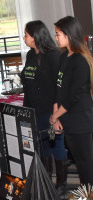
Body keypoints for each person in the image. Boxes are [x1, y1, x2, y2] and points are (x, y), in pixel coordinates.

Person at [20, 20, 67, 191]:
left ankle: (61, 184)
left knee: (57, 145)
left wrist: (56, 115)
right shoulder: (30, 55)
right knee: (43, 145)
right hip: (34, 108)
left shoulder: (54, 56)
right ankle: (47, 181)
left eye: (26, 34)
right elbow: (28, 82)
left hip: (50, 109)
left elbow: (59, 87)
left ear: (35, 36)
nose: (24, 37)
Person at [51, 16, 93, 185]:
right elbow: (58, 89)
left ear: (68, 34)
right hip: (67, 118)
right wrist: (56, 116)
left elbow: (73, 97)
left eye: (58, 34)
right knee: (80, 161)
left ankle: (88, 194)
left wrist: (55, 116)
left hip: (80, 120)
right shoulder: (64, 57)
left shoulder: (80, 61)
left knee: (86, 164)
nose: (56, 37)